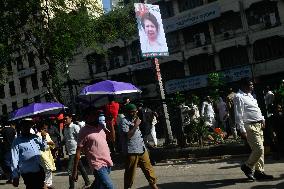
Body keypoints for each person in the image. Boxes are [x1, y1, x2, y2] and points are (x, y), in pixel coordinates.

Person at [234, 78, 273, 181]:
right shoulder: (239, 97)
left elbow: (256, 109)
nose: (252, 87)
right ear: (243, 86)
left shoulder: (250, 95)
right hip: (249, 126)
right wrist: (242, 129)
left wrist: (262, 119)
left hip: (258, 125)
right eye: (250, 85)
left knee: (261, 149)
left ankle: (259, 172)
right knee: (258, 149)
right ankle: (247, 166)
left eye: (252, 85)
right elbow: (238, 114)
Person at [72, 108, 114, 189]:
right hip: (97, 164)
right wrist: (75, 170)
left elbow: (112, 139)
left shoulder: (101, 126)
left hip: (107, 161)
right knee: (109, 186)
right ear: (86, 117)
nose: (95, 116)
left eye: (96, 115)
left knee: (99, 186)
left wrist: (111, 124)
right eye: (93, 115)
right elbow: (78, 152)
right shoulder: (83, 131)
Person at [119, 103, 158, 189]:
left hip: (141, 148)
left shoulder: (136, 118)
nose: (135, 113)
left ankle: (154, 186)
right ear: (127, 112)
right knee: (130, 173)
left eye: (135, 111)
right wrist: (136, 125)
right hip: (131, 151)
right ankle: (127, 187)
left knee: (149, 169)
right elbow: (128, 135)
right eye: (132, 112)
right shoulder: (123, 121)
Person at [11, 118, 48, 189]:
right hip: (28, 172)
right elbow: (14, 159)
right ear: (21, 127)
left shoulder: (35, 137)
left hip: (39, 169)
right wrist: (15, 176)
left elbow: (44, 148)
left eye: (28, 126)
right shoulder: (16, 141)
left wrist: (43, 137)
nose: (27, 127)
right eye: (25, 126)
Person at [63, 113, 90, 189]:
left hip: (75, 152)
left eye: (66, 118)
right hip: (70, 151)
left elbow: (81, 137)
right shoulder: (65, 128)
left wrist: (82, 149)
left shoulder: (75, 127)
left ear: (71, 118)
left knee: (70, 169)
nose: (65, 120)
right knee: (80, 167)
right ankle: (87, 182)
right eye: (64, 119)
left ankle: (71, 187)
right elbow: (65, 139)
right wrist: (59, 144)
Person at [36, 121, 56, 189]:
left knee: (49, 169)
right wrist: (45, 140)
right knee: (47, 168)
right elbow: (40, 145)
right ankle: (45, 183)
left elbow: (52, 143)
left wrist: (51, 143)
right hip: (42, 154)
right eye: (44, 128)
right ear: (41, 129)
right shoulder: (37, 135)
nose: (46, 130)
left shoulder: (47, 134)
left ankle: (49, 183)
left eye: (46, 128)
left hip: (48, 153)